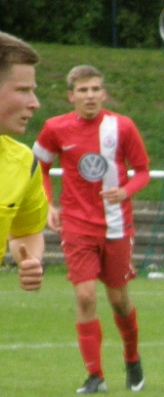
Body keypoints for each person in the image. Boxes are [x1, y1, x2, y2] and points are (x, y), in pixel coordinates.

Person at [33, 65, 151, 394]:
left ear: (104, 94)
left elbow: (143, 171)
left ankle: (132, 358)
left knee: (118, 299)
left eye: (95, 89)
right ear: (71, 96)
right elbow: (39, 167)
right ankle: (95, 376)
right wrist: (48, 204)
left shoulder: (122, 127)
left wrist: (125, 191)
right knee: (85, 296)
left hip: (116, 225)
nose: (90, 96)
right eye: (83, 90)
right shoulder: (54, 128)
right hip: (76, 224)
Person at [0, 32, 46, 293]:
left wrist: (31, 260)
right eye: (23, 90)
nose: (35, 104)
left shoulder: (23, 162)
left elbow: (26, 232)